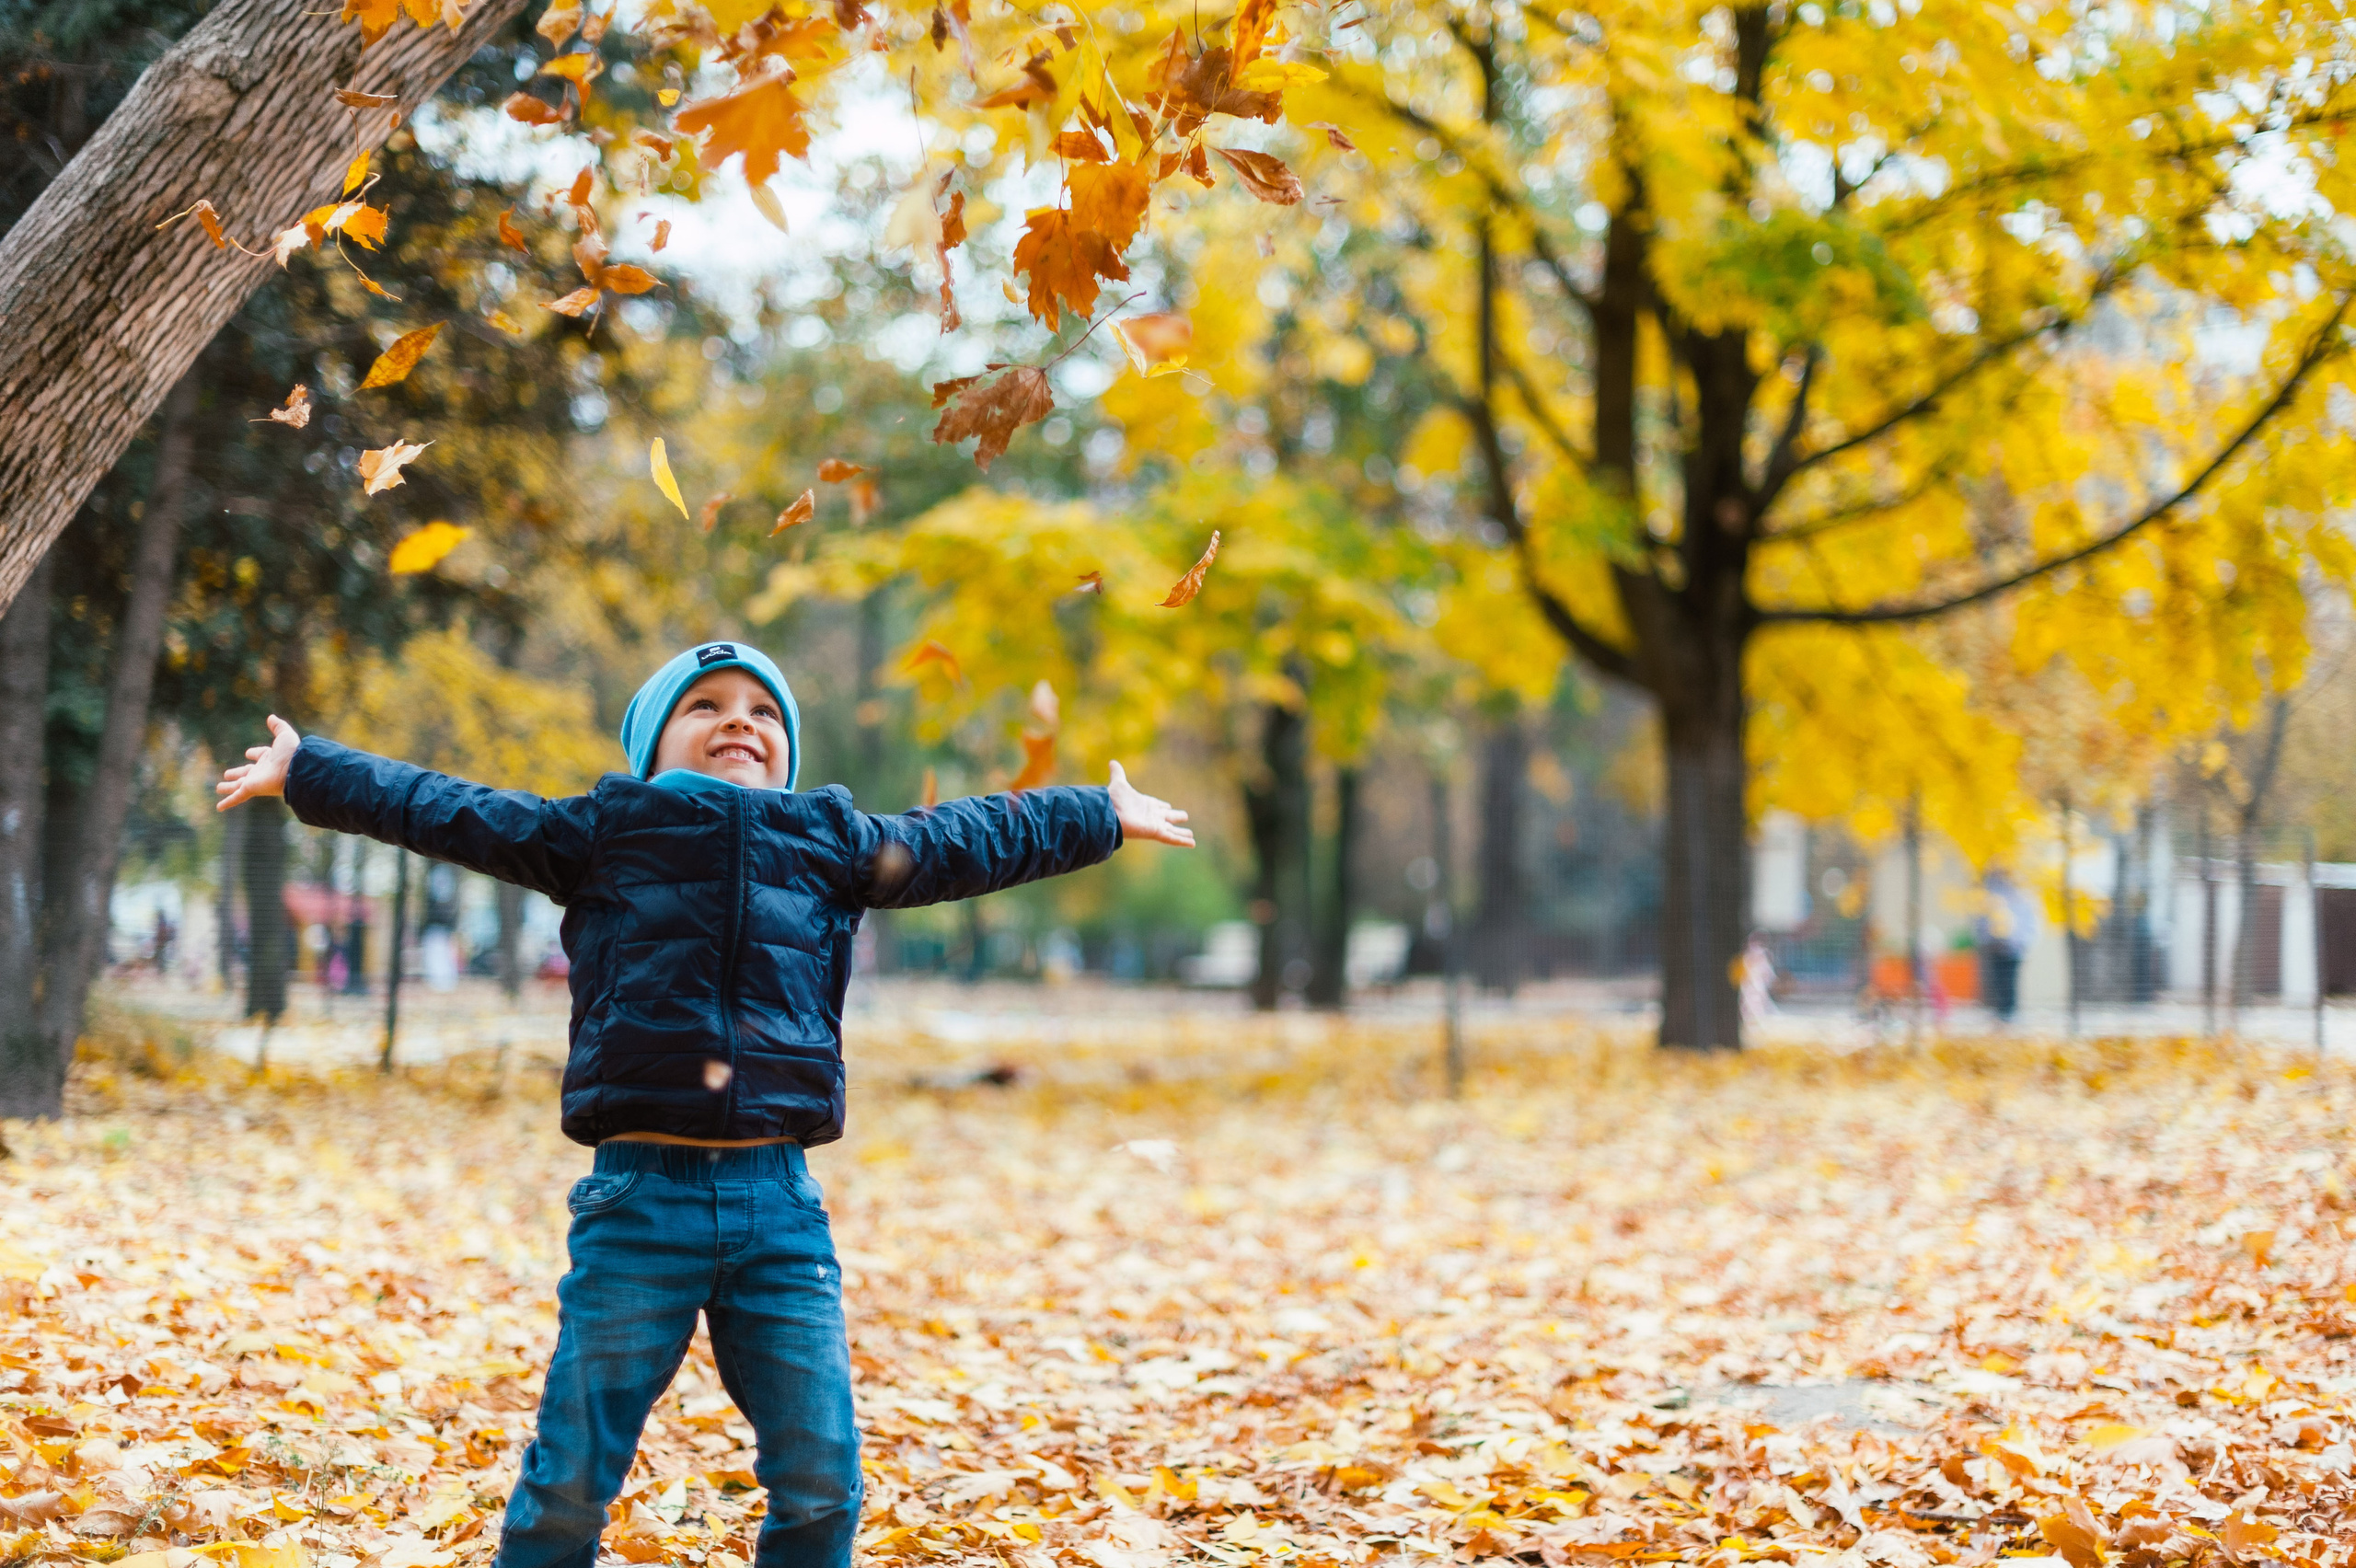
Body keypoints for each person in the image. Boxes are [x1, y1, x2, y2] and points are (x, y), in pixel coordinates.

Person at [214, 640, 1194, 1568]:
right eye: (708, 706)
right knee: (570, 1482)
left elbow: (967, 839)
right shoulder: (603, 833)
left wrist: (1097, 816)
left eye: (765, 712)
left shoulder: (831, 842)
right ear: (652, 743)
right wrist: (311, 772)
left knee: (823, 1481)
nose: (742, 722)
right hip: (640, 1205)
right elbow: (450, 809)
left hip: (781, 1213)